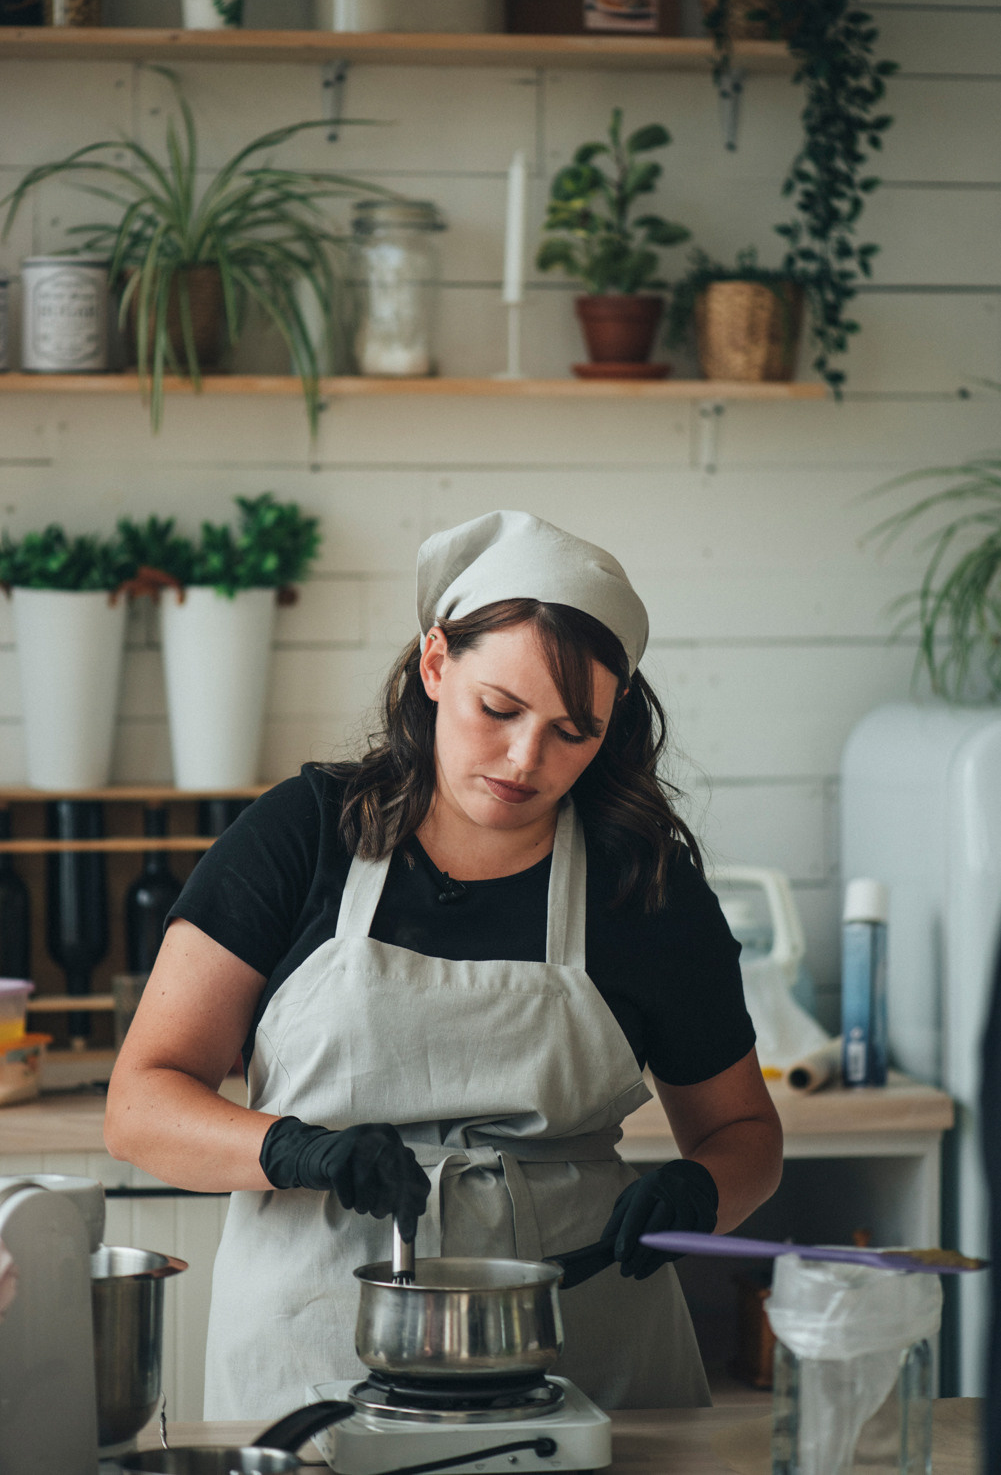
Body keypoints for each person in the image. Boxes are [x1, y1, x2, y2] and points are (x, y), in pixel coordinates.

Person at [105, 509, 783, 1420]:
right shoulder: (302, 834)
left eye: (572, 732)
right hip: (320, 1334)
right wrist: (300, 1150)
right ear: (435, 665)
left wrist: (697, 1192)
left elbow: (744, 1135)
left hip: (585, 1341)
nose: (523, 759)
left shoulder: (641, 880)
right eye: (497, 710)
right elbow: (141, 1103)